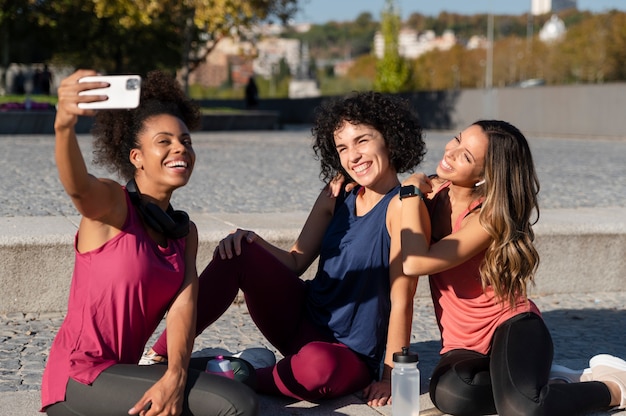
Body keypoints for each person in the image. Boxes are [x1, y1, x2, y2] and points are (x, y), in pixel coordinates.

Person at [144, 91, 427, 405]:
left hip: (349, 355)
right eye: (343, 148)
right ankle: (157, 359)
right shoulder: (337, 194)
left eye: (362, 141)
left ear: (389, 137)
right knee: (239, 250)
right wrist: (253, 242)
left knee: (321, 368)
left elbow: (403, 298)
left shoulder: (402, 205)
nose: (353, 157)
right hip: (301, 321)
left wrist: (390, 377)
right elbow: (294, 261)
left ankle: (233, 374)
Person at [41, 69, 258, 416]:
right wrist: (63, 125)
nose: (180, 149)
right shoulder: (112, 206)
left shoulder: (183, 233)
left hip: (123, 376)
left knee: (234, 384)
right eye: (164, 141)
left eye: (185, 141)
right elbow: (79, 186)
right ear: (136, 157)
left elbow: (183, 310)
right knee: (236, 404)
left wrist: (176, 374)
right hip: (77, 379)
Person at [399, 120, 626, 415]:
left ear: (485, 176)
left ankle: (612, 387)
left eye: (467, 156)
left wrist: (408, 193)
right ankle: (541, 383)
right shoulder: (432, 194)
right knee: (450, 395)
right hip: (463, 344)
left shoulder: (487, 218)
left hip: (512, 327)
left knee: (522, 409)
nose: (452, 152)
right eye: (457, 139)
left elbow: (416, 262)